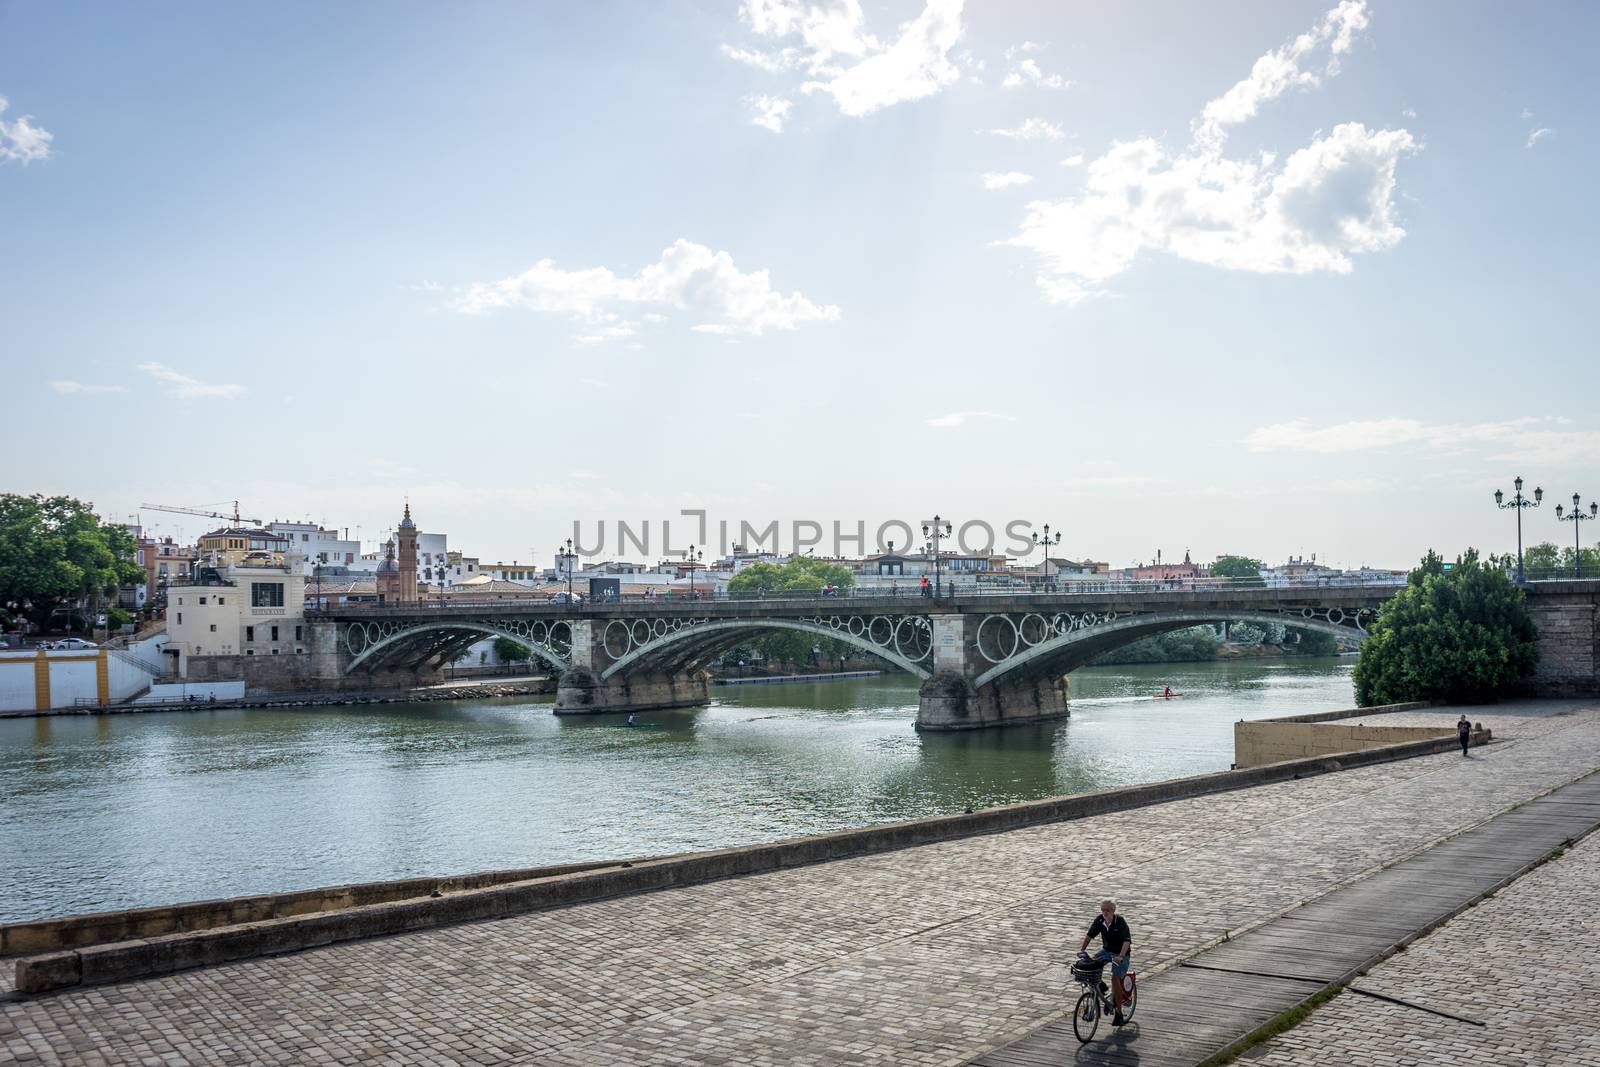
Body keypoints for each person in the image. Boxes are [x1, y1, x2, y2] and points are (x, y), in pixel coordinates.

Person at [1079, 900, 1133, 1026]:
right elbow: (1089, 936)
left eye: (1107, 910)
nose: (1105, 913)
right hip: (1107, 950)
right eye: (1103, 910)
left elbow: (1127, 941)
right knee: (1090, 965)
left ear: (1113, 911)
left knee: (1115, 978)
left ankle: (1119, 1012)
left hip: (1121, 953)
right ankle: (1102, 987)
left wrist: (1120, 956)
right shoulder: (1100, 920)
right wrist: (1081, 950)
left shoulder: (1120, 921)